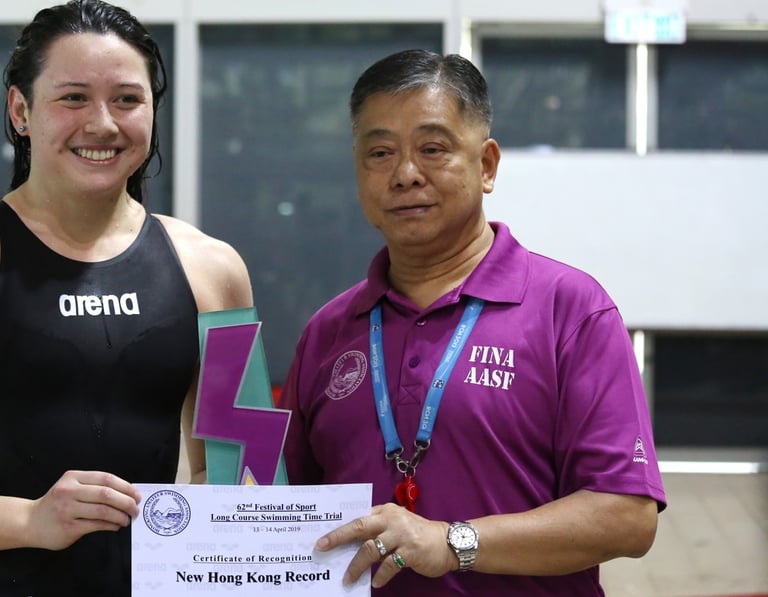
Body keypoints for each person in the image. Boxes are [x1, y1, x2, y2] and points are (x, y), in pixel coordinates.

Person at [0, 1, 253, 595]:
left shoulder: (215, 269)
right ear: (21, 110)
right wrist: (30, 520)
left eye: (127, 99)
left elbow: (247, 471)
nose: (102, 124)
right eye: (73, 98)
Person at [278, 49, 666, 596]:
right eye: (380, 153)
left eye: (432, 149)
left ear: (486, 166)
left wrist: (452, 542)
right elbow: (282, 508)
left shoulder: (571, 309)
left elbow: (627, 515)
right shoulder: (329, 329)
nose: (405, 175)